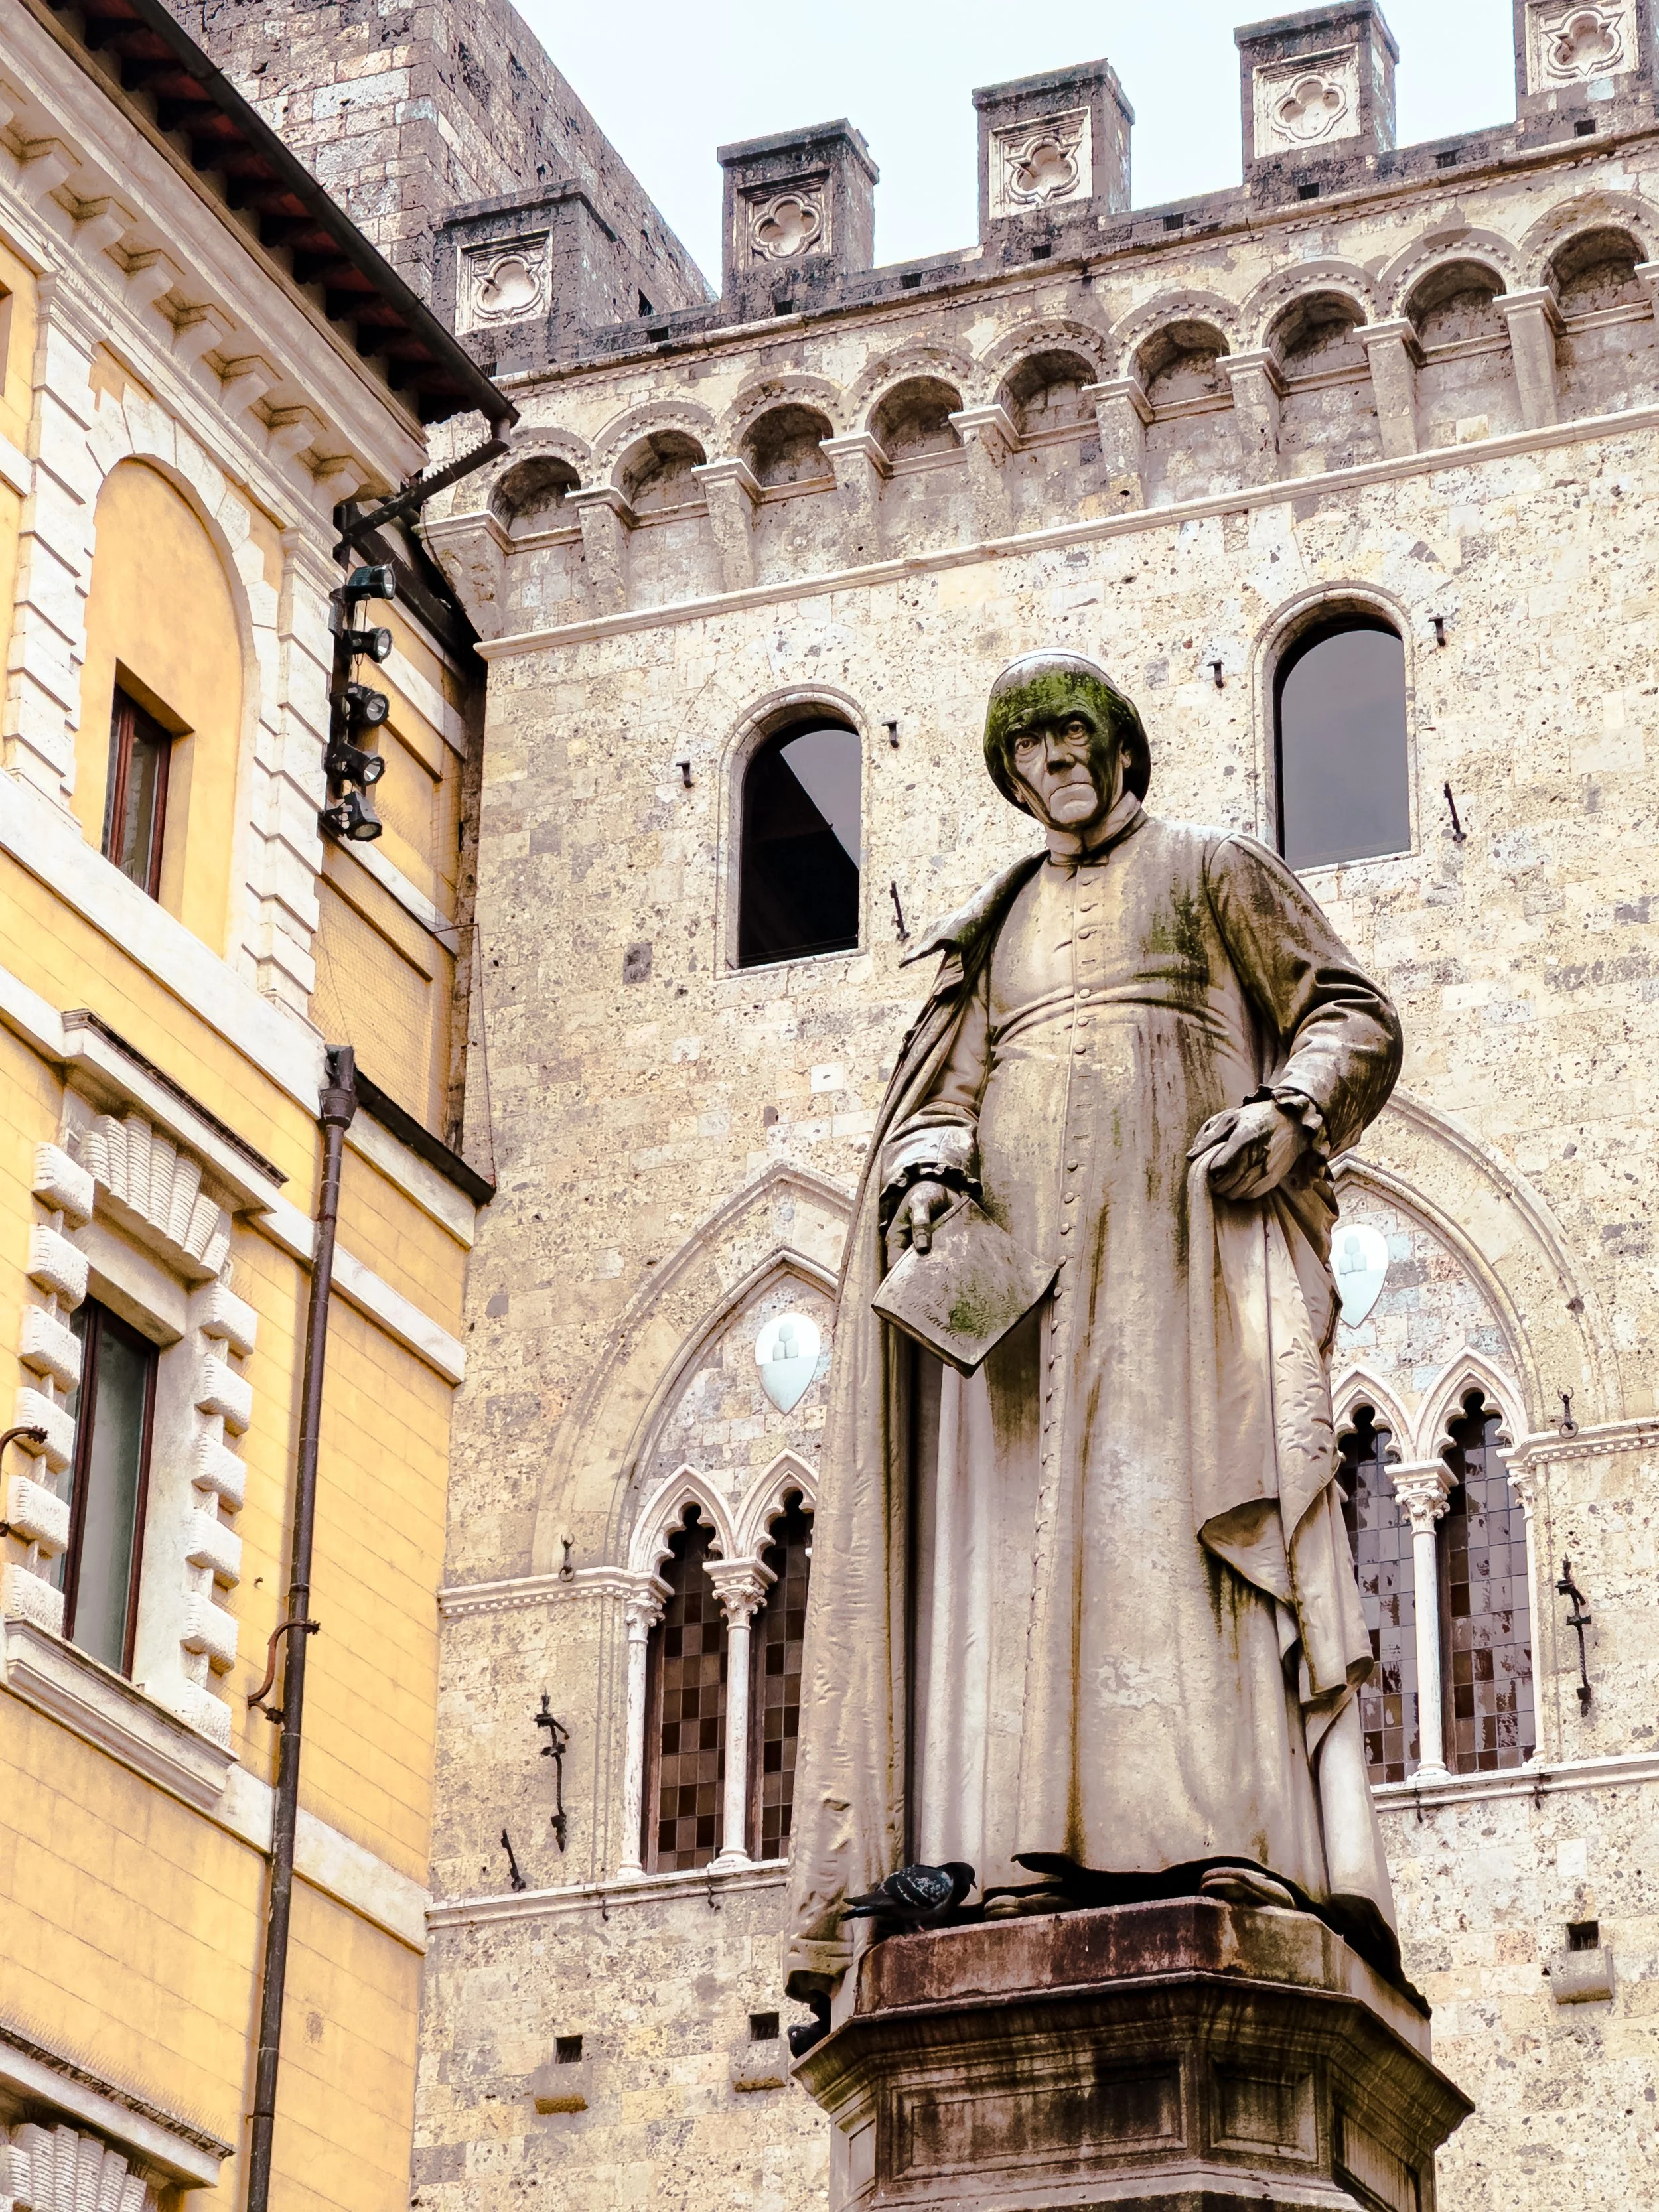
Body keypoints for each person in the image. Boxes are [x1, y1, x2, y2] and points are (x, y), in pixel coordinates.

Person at [785, 649, 1406, 2005]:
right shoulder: (997, 923)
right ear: (1012, 778)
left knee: (1181, 1521)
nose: (1054, 761)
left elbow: (1349, 1011)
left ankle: (1228, 1833)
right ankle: (1016, 1852)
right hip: (1020, 1308)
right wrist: (930, 1171)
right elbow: (941, 1093)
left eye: (1072, 735)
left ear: (1119, 748)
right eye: (1027, 748)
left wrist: (1291, 1109)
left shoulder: (1210, 866)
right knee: (1015, 1554)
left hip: (1177, 1267)